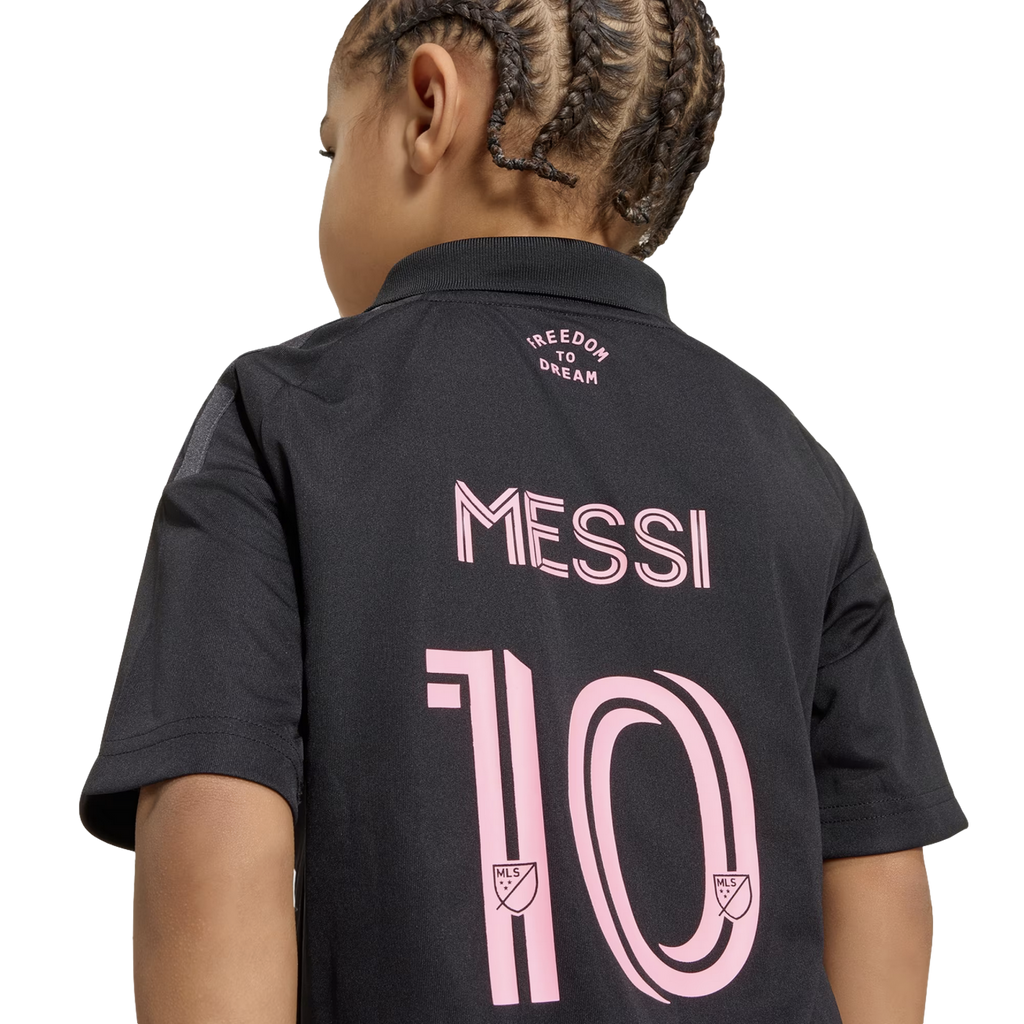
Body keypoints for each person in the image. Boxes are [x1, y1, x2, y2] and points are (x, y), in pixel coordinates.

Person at [77, 2, 969, 1022]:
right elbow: (878, 866)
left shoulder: (283, 413)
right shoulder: (793, 458)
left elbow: (211, 821)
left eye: (330, 143)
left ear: (428, 108)